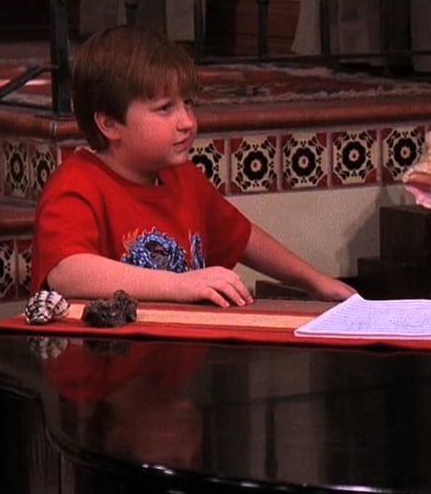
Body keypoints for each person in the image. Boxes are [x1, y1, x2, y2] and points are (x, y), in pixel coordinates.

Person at [31, 25, 356, 307]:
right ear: (110, 124)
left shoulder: (183, 177)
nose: (187, 121)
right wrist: (179, 285)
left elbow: (241, 238)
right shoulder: (77, 183)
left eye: (187, 104)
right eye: (165, 108)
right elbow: (67, 272)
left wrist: (314, 282)